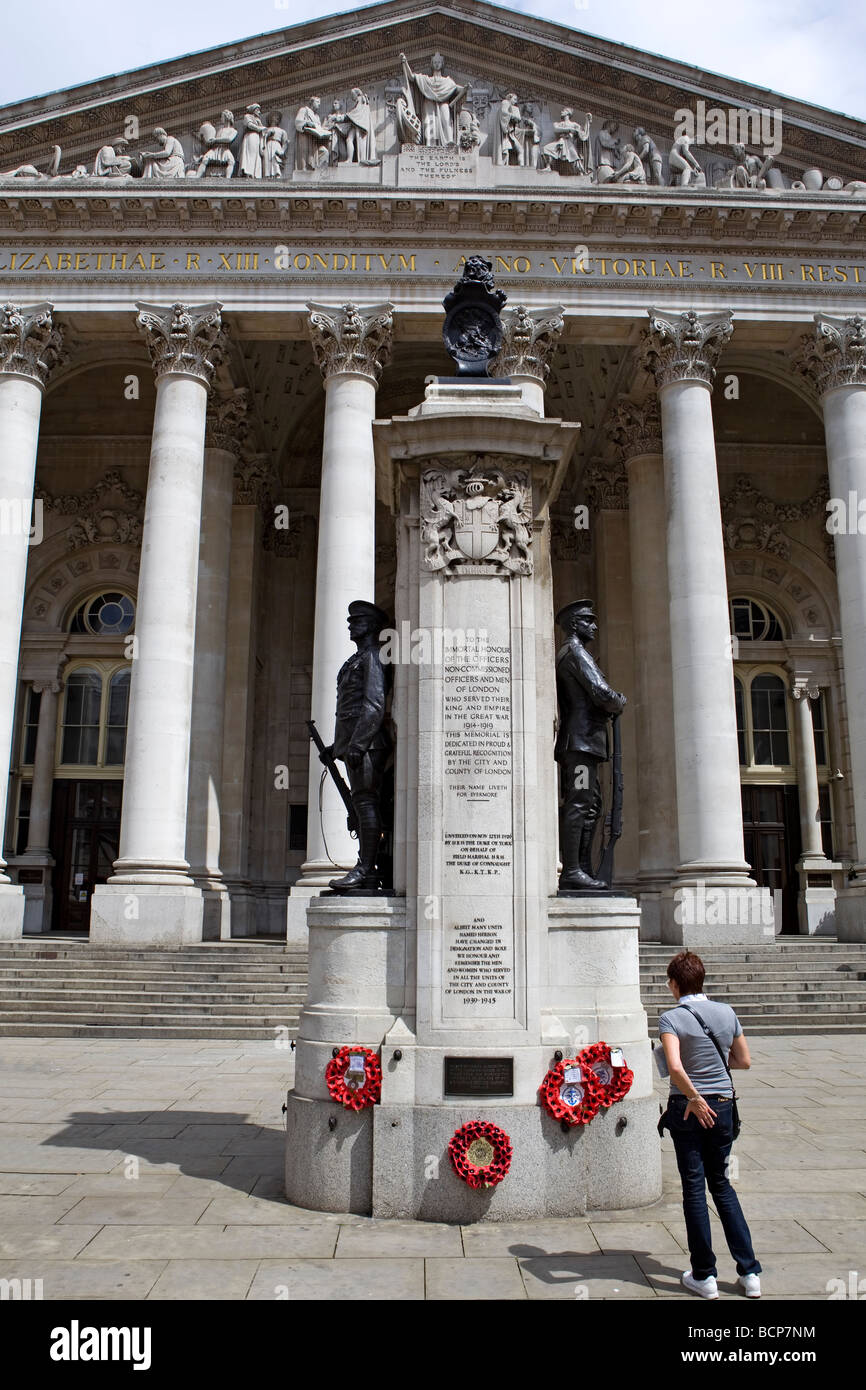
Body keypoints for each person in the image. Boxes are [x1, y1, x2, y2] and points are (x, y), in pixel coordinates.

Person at [660, 950, 762, 1300]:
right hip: (723, 1106)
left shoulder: (671, 1018)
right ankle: (749, 1273)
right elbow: (744, 1061)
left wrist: (693, 1096)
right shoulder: (726, 1012)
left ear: (675, 984)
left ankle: (704, 1275)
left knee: (693, 1188)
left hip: (689, 1109)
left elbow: (673, 1067)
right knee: (722, 1185)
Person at [554, 599, 626, 891]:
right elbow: (600, 691)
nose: (594, 626)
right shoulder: (575, 652)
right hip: (580, 744)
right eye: (588, 620)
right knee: (580, 802)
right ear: (574, 624)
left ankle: (581, 868)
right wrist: (618, 701)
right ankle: (572, 869)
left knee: (591, 805)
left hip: (587, 743)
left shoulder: (576, 652)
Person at [321, 601, 392, 892]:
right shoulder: (358, 659)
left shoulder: (373, 657)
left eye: (358, 621)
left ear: (372, 626)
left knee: (365, 804)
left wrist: (357, 745)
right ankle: (366, 869)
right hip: (356, 745)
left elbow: (374, 705)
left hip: (368, 745)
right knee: (361, 806)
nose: (351, 625)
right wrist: (335, 747)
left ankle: (365, 869)